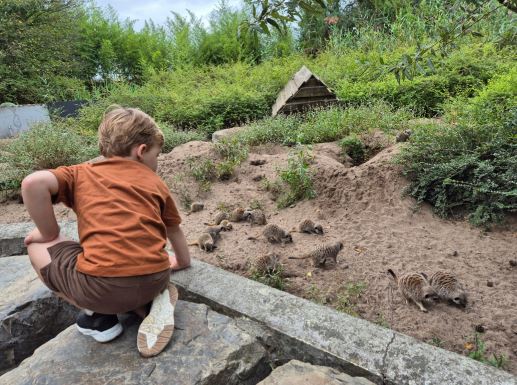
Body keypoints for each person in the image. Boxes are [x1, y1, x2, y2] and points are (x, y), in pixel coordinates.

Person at [20, 106, 191, 357]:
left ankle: (98, 317)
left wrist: (48, 233)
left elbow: (32, 183)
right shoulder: (155, 182)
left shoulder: (79, 173)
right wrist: (181, 261)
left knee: (38, 246)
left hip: (102, 291)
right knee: (107, 259)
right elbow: (173, 229)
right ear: (141, 152)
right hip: (156, 278)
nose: (156, 162)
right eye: (157, 155)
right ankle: (142, 306)